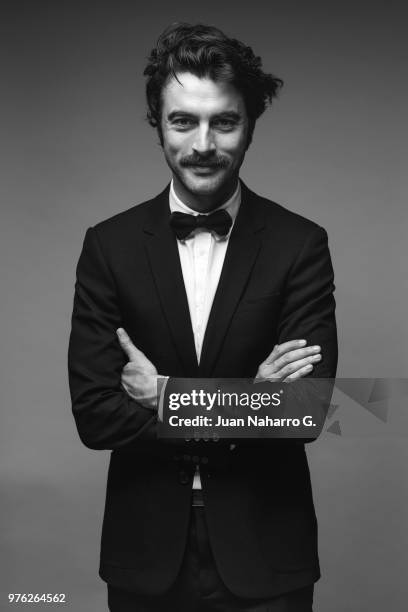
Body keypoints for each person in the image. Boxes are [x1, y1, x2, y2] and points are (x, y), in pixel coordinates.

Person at [68, 22, 337, 611]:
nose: (203, 143)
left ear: (250, 129)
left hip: (268, 553)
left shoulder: (300, 245)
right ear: (158, 126)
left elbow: (305, 411)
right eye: (183, 120)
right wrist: (249, 399)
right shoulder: (108, 247)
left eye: (225, 121)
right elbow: (95, 416)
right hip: (145, 554)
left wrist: (163, 394)